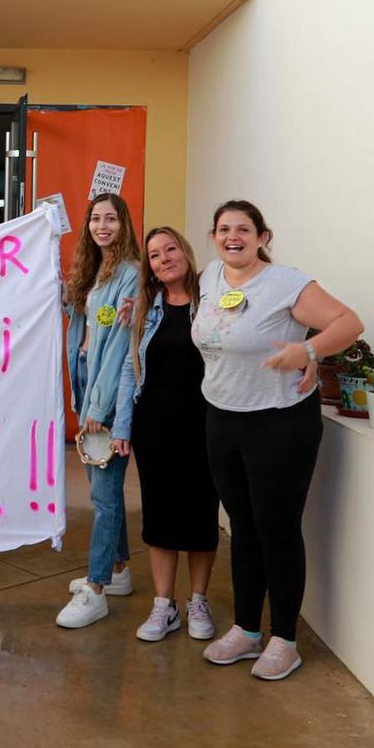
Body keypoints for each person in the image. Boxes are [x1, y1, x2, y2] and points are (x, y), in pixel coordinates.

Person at [192, 199, 363, 681]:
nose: (233, 237)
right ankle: (247, 630)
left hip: (279, 422)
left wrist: (306, 350)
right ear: (214, 237)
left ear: (262, 236)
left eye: (243, 229)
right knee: (243, 525)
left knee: (277, 528)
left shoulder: (285, 282)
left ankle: (284, 639)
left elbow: (349, 322)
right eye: (224, 229)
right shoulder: (210, 278)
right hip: (223, 417)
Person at [114, 225, 220, 643]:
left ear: (186, 252)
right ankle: (164, 605)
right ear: (151, 268)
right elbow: (129, 369)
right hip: (154, 427)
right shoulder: (143, 308)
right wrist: (123, 425)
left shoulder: (211, 301)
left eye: (170, 249)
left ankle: (198, 600)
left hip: (206, 424)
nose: (163, 259)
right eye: (154, 255)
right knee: (159, 515)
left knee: (200, 513)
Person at [55, 193, 143, 629]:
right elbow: (80, 323)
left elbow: (121, 350)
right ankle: (120, 570)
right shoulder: (90, 271)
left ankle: (96, 588)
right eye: (95, 218)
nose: (102, 226)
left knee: (104, 498)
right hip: (87, 382)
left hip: (106, 391)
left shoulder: (130, 274)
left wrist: (99, 404)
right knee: (100, 488)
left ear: (124, 224)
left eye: (111, 219)